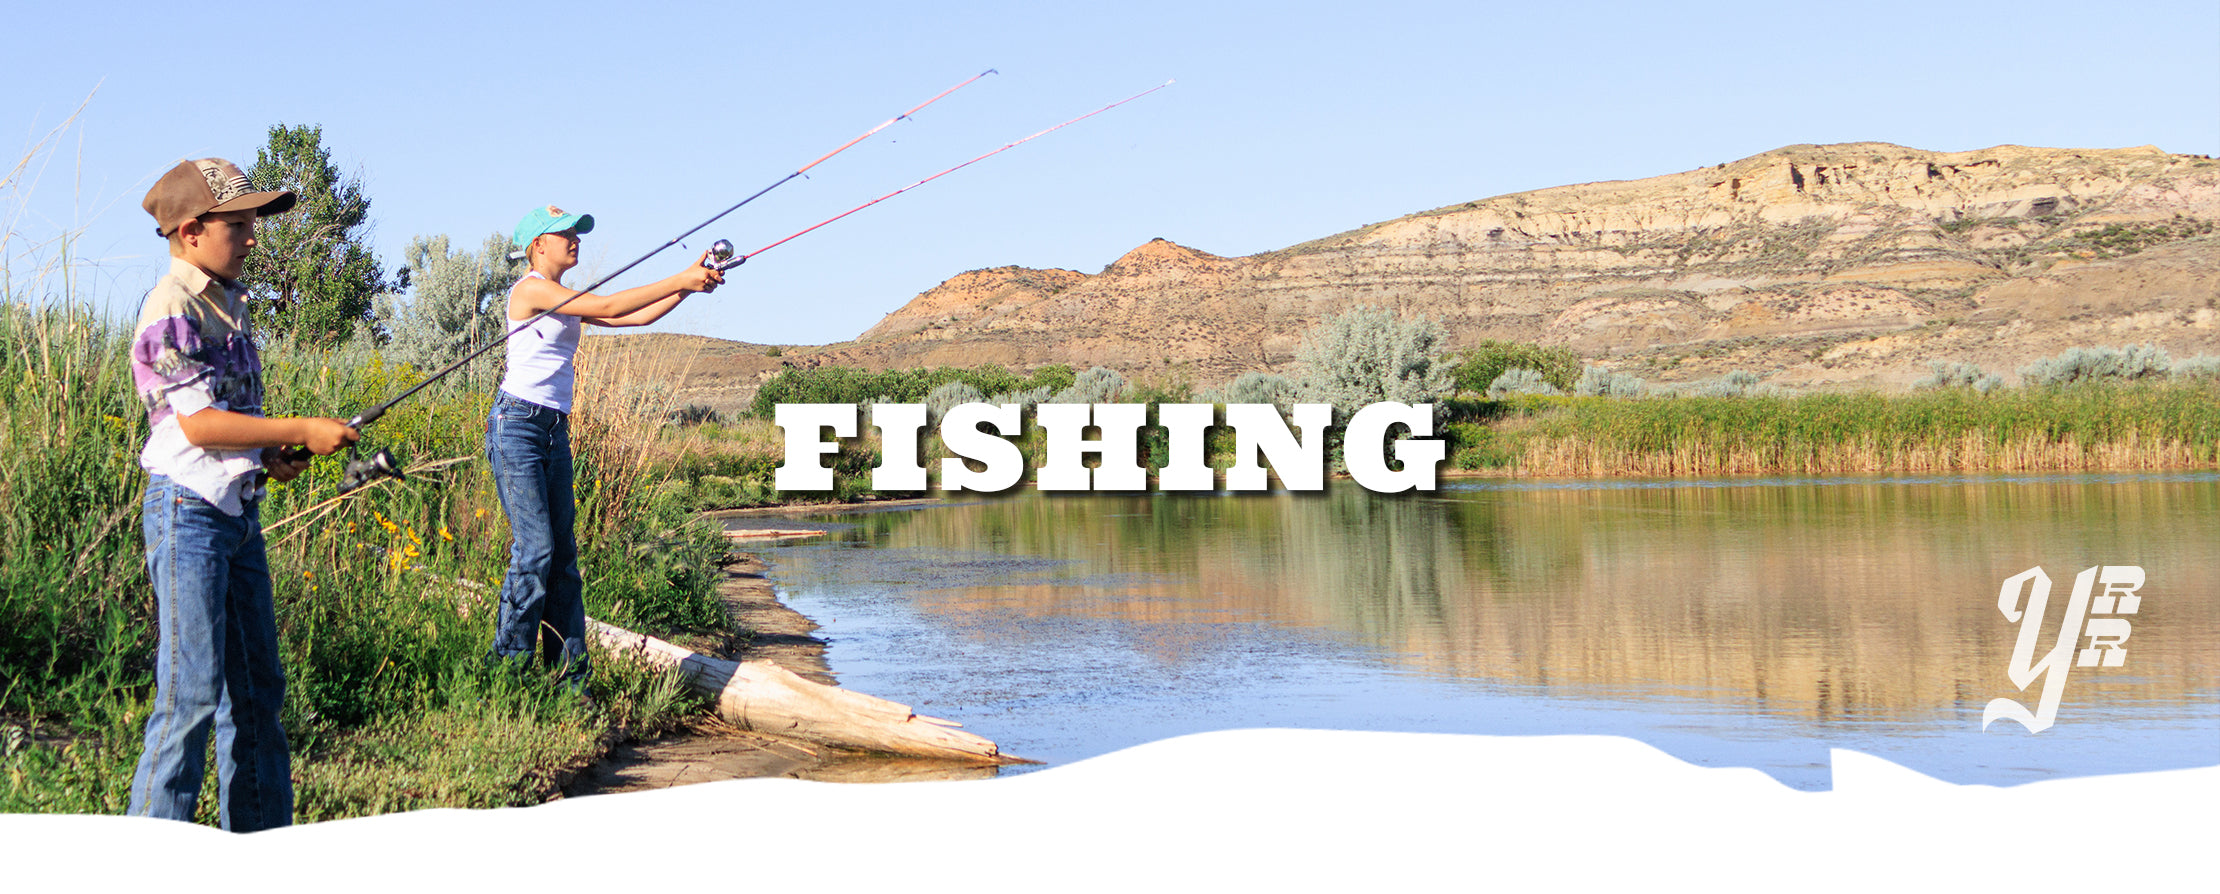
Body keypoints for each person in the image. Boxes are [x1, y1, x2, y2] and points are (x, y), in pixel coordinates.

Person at [127, 158, 360, 831]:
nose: (252, 238)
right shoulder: (171, 305)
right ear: (192, 230)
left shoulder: (231, 302)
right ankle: (143, 861)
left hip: (235, 515)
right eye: (239, 225)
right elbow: (196, 425)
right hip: (187, 515)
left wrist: (270, 453)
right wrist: (303, 428)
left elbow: (227, 419)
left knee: (258, 693)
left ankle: (261, 854)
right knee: (190, 695)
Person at [488, 205, 723, 684]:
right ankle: (506, 674)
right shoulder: (532, 290)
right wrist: (680, 275)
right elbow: (612, 306)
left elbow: (630, 320)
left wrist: (687, 287)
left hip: (553, 427)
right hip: (518, 427)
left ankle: (570, 680)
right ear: (538, 246)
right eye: (565, 234)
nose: (576, 239)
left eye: (577, 233)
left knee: (563, 558)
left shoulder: (562, 297)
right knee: (534, 551)